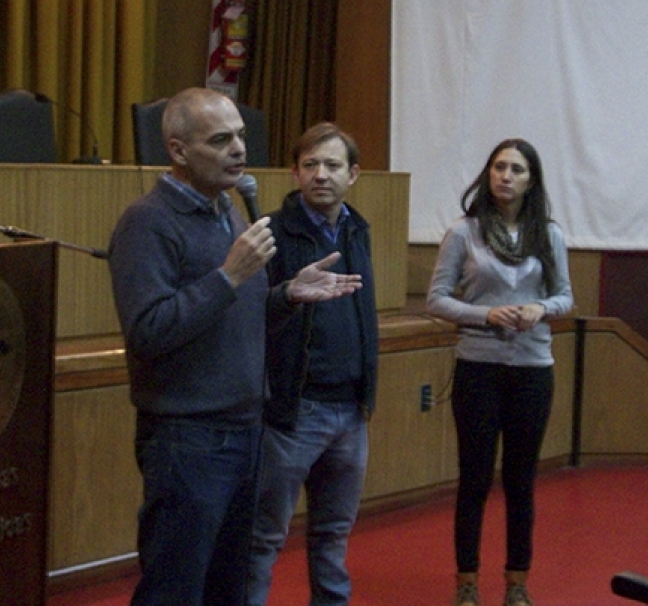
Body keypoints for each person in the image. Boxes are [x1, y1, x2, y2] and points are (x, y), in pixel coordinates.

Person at [107, 88, 363, 606]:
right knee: (175, 589)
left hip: (247, 430)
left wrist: (285, 296)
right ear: (179, 151)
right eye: (221, 140)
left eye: (241, 135)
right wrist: (228, 277)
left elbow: (229, 320)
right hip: (188, 439)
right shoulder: (148, 222)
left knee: (229, 587)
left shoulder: (230, 211)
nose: (239, 150)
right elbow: (148, 331)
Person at [425, 138, 573, 606]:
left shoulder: (548, 235)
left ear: (532, 180)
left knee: (520, 480)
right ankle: (467, 581)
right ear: (488, 174)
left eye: (516, 169)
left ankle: (516, 583)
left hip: (532, 369)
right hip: (479, 368)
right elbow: (437, 299)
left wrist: (539, 308)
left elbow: (566, 297)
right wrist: (484, 315)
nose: (505, 176)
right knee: (474, 480)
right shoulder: (464, 232)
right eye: (498, 167)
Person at [247, 123, 378, 606]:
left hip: (350, 413)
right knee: (262, 541)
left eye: (332, 165)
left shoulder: (356, 228)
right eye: (310, 165)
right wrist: (287, 295)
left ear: (354, 174)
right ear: (294, 172)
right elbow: (245, 316)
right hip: (292, 413)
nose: (321, 175)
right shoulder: (271, 233)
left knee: (333, 540)